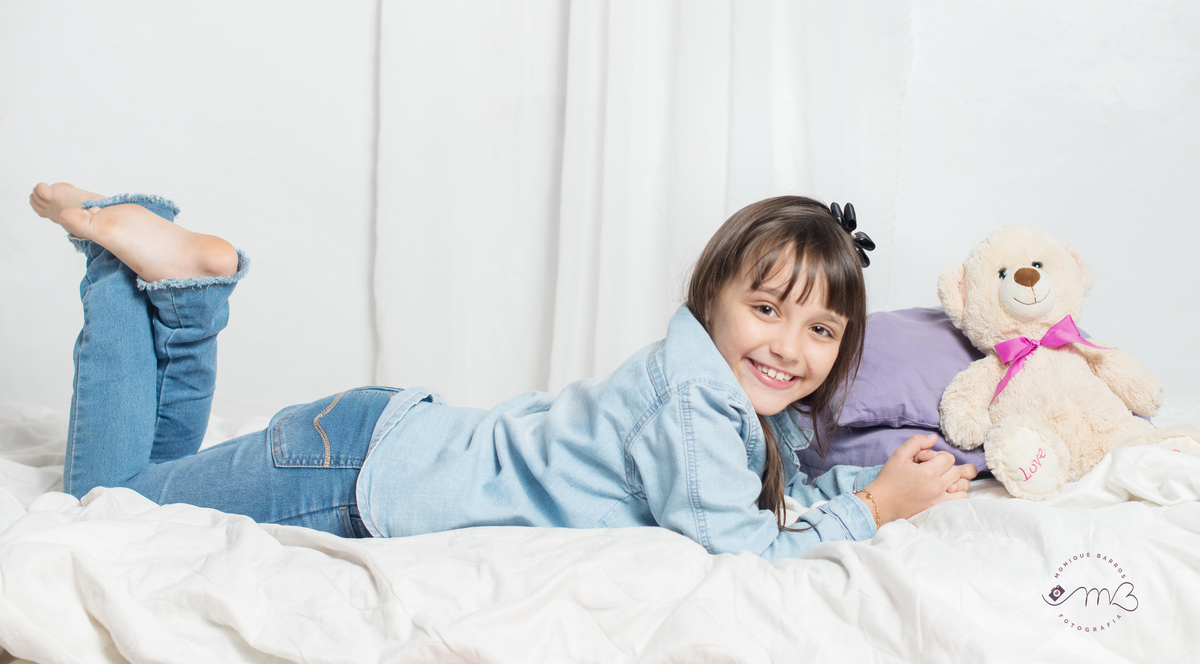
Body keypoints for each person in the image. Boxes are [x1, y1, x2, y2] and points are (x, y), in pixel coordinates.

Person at [30, 182, 976, 560]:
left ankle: (183, 286)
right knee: (101, 509)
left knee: (149, 479)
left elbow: (776, 498)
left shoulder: (726, 405)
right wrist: (873, 509)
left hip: (375, 440)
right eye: (766, 309)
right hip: (355, 475)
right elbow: (748, 553)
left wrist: (876, 484)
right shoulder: (695, 406)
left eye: (821, 329)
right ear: (710, 299)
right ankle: (124, 273)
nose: (789, 347)